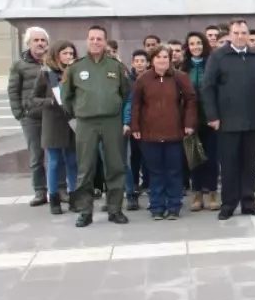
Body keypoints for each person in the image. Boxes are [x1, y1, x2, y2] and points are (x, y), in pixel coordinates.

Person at [62, 25, 130, 227]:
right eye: (92, 38)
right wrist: (80, 110)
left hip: (111, 121)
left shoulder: (116, 66)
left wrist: (114, 107)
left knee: (116, 166)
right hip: (86, 123)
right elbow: (66, 97)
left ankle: (115, 209)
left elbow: (125, 92)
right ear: (87, 41)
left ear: (105, 42)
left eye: (99, 39)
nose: (95, 42)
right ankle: (85, 211)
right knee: (85, 168)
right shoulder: (75, 67)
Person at [202, 18, 255, 220]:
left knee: (250, 164)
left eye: (243, 33)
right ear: (230, 35)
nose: (240, 37)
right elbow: (208, 87)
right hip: (227, 122)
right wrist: (212, 116)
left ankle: (249, 202)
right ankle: (229, 204)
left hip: (252, 121)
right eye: (236, 33)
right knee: (230, 165)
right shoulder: (218, 56)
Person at [130, 46, 196, 221]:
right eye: (158, 57)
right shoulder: (143, 79)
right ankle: (157, 206)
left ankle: (174, 206)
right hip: (149, 134)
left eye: (165, 57)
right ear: (152, 60)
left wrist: (189, 124)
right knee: (156, 171)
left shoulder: (180, 78)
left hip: (174, 132)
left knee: (174, 171)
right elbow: (135, 104)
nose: (162, 60)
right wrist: (135, 127)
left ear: (170, 59)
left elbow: (191, 100)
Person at [29, 40, 78, 215]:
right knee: (55, 162)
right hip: (53, 123)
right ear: (57, 55)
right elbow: (33, 99)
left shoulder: (76, 72)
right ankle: (54, 199)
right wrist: (50, 102)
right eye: (65, 53)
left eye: (71, 53)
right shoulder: (46, 74)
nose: (68, 57)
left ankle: (74, 198)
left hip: (72, 122)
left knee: (73, 162)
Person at [9, 26, 50, 206]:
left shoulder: (52, 61)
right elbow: (13, 90)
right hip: (31, 117)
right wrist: (20, 113)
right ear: (28, 43)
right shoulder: (19, 65)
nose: (40, 43)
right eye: (36, 40)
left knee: (58, 155)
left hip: (52, 116)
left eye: (43, 40)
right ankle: (40, 191)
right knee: (36, 156)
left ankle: (61, 189)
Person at [183, 32, 220, 211]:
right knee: (194, 157)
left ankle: (212, 191)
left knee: (211, 157)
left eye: (198, 43)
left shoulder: (212, 63)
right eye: (192, 44)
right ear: (187, 47)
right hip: (191, 119)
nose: (196, 47)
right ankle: (197, 192)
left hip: (210, 118)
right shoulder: (183, 67)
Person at [123, 49, 150, 211]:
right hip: (134, 124)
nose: (140, 63)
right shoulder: (128, 80)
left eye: (142, 61)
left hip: (149, 125)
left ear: (147, 63)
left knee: (149, 158)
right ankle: (133, 186)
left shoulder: (152, 77)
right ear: (133, 63)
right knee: (134, 157)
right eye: (137, 61)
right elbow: (129, 102)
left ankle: (147, 183)